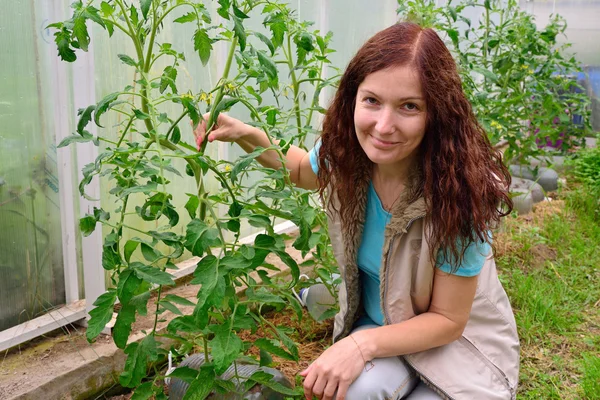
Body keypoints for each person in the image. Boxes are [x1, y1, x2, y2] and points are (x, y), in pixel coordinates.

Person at [194, 22, 519, 400]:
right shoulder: (349, 157)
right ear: (353, 98)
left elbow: (448, 320)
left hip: (457, 346)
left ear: (437, 114)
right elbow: (302, 169)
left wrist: (357, 346)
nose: (384, 126)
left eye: (409, 107)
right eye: (372, 101)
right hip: (382, 329)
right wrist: (245, 133)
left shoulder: (460, 192)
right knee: (355, 392)